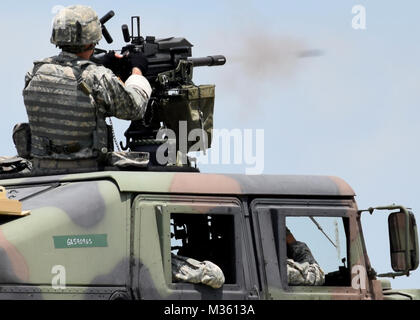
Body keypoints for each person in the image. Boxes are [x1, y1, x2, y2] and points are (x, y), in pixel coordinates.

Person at [21, 5, 152, 172]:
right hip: (86, 170)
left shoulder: (34, 73)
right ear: (93, 38)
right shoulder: (97, 77)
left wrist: (97, 64)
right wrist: (137, 70)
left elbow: (65, 79)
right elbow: (135, 107)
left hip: (42, 168)